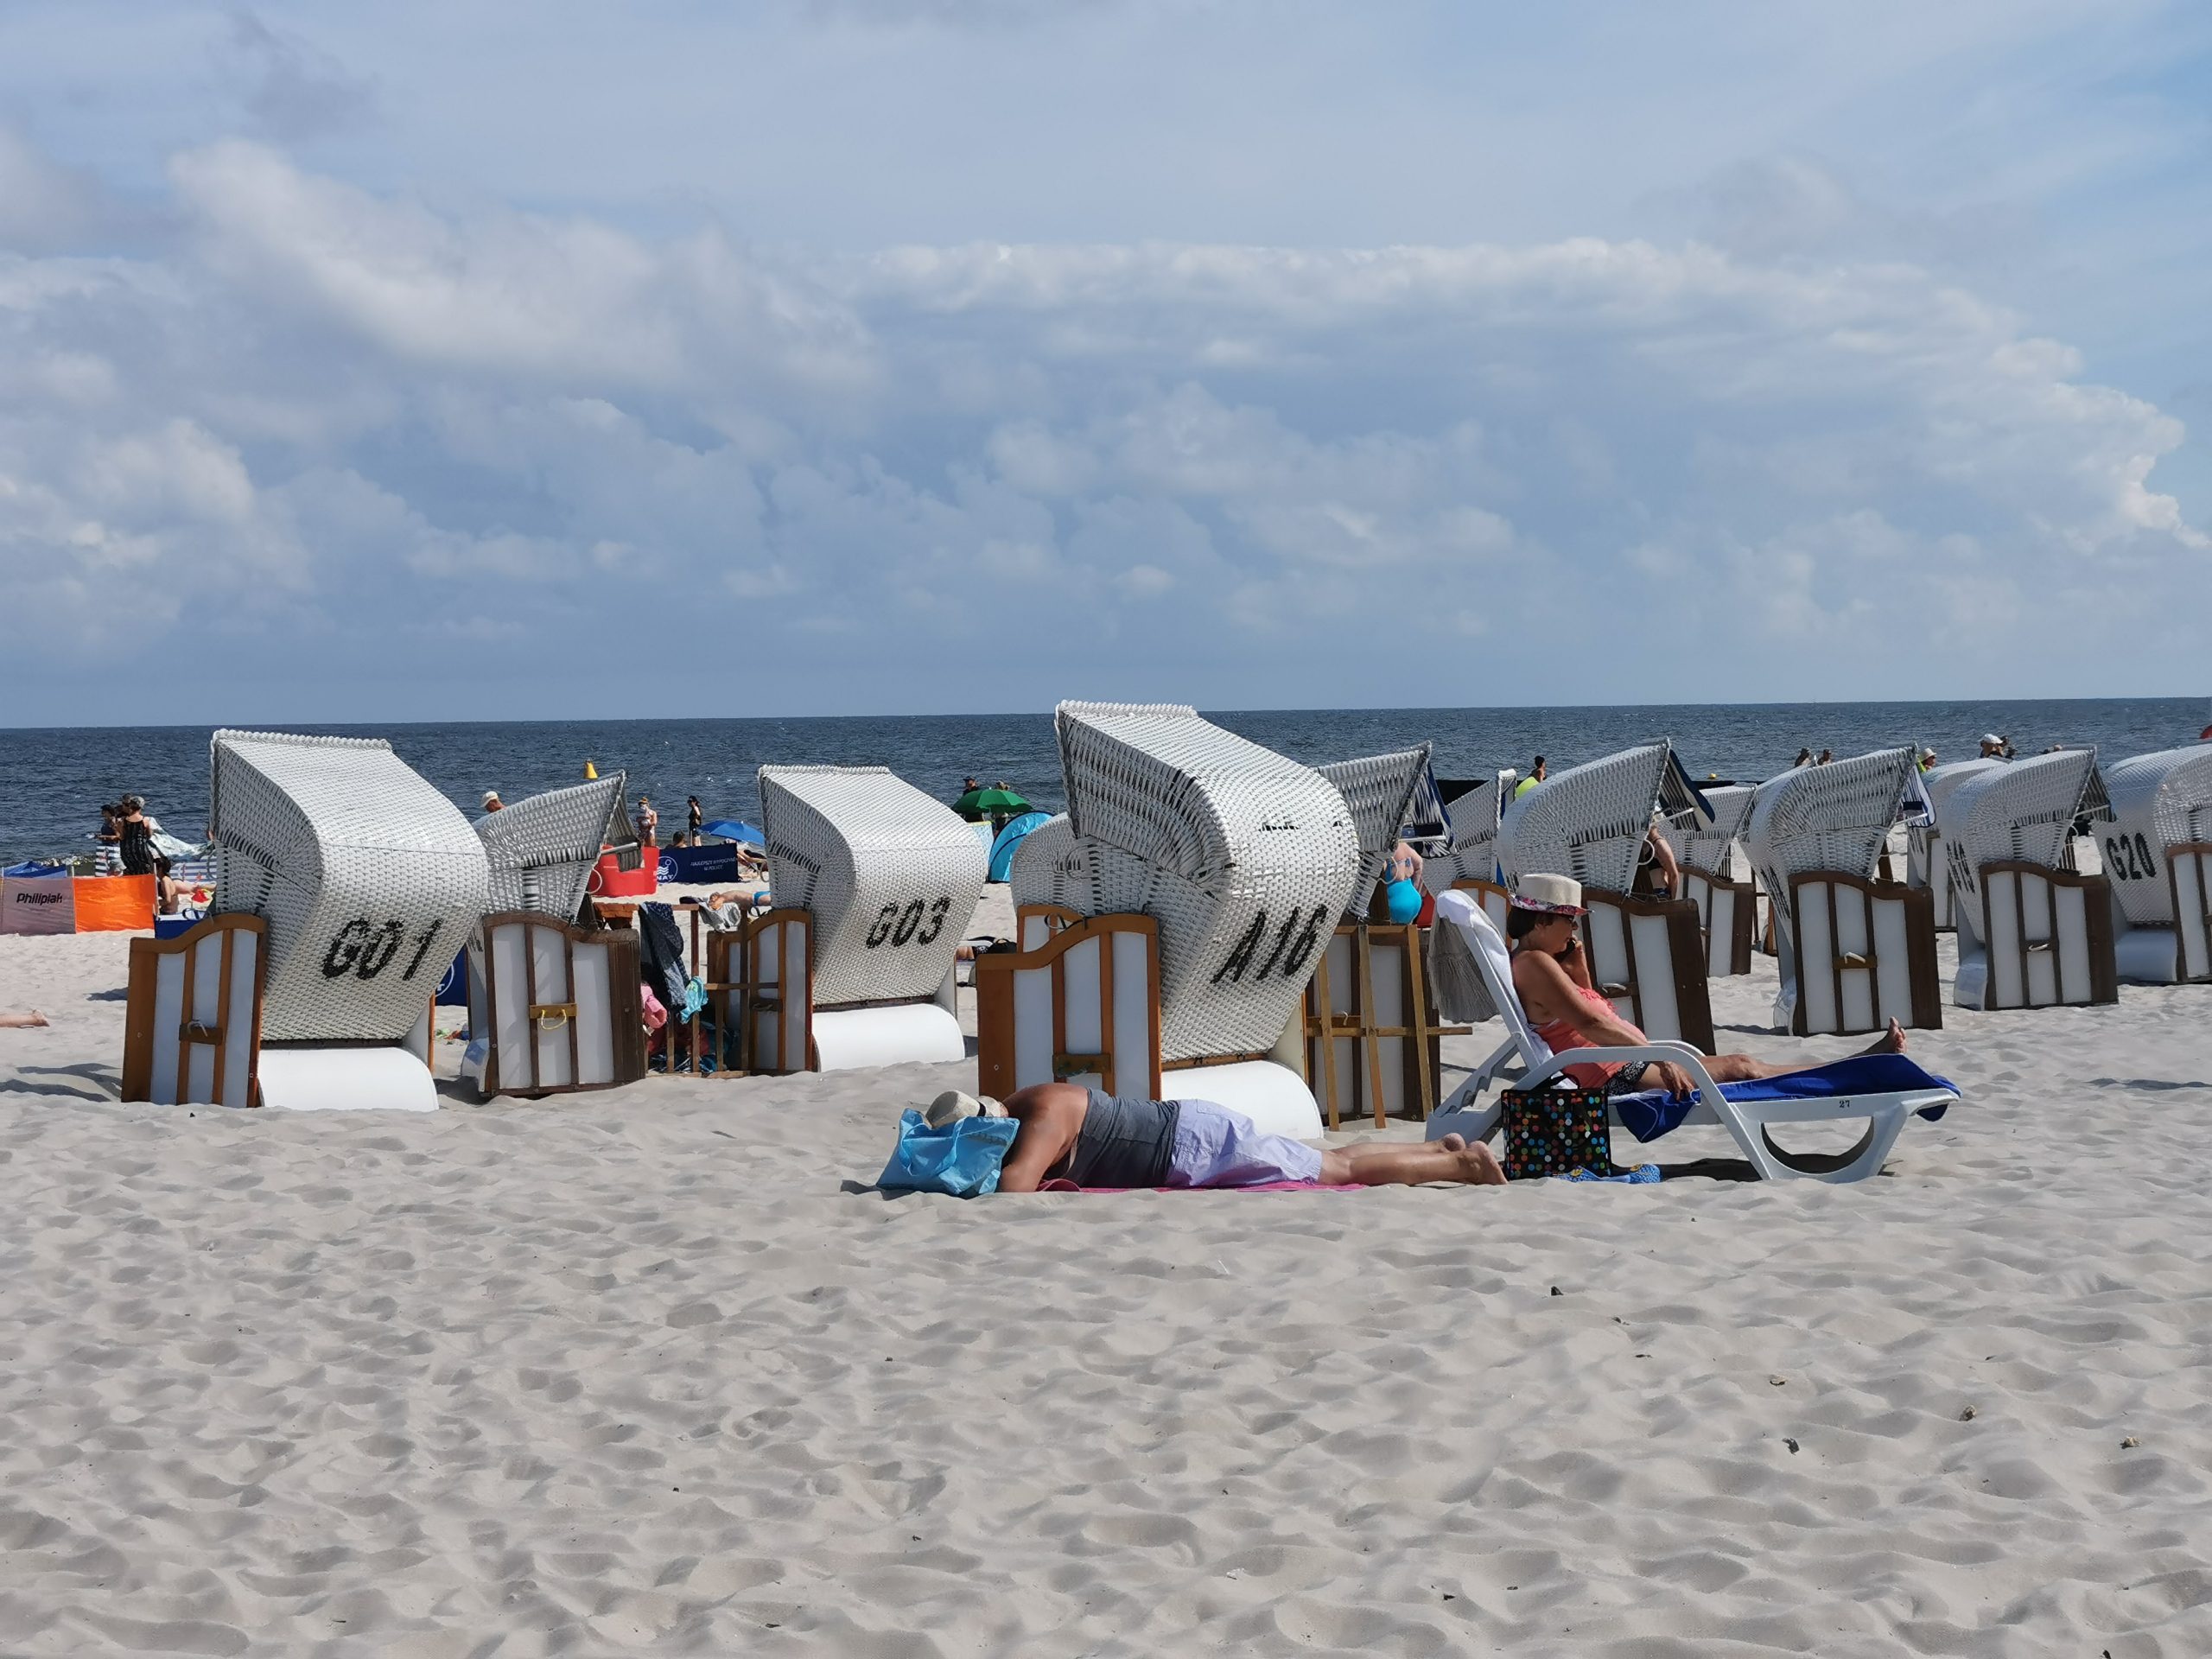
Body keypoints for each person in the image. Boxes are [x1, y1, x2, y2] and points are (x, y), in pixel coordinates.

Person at [1505, 873, 1905, 1098]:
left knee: (1744, 1064)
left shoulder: (1539, 961)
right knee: (1741, 1068)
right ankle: (1862, 1069)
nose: (1574, 930)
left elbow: (1589, 1010)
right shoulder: (1535, 963)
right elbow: (1591, 1026)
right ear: (1542, 922)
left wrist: (1579, 969)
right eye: (1569, 921)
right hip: (1613, 1075)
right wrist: (1660, 1057)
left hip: (1619, 1062)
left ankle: (1861, 1065)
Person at [944, 1085, 1506, 1192]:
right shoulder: (1022, 1101)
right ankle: (1439, 1151)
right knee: (1326, 1159)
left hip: (1192, 1145)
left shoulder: (1040, 1114)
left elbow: (1015, 1188)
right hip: (1192, 1135)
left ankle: (1460, 1169)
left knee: (1338, 1171)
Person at [116, 796, 156, 877]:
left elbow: (122, 837)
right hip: (141, 849)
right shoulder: (146, 820)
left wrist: (117, 828)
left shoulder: (123, 820)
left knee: (131, 872)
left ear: (130, 806)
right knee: (147, 871)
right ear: (141, 807)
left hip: (127, 850)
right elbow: (149, 836)